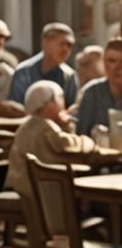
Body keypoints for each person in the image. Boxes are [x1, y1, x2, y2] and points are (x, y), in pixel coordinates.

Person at [7, 81, 97, 227]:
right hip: (41, 192)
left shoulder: (27, 125)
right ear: (49, 104)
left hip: (25, 187)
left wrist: (65, 126)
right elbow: (69, 145)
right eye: (60, 98)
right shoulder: (46, 126)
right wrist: (88, 141)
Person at [8, 23, 78, 108]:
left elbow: (72, 107)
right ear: (46, 42)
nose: (66, 49)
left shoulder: (69, 75)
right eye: (62, 44)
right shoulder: (24, 72)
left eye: (69, 45)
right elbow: (15, 107)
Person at [75, 38, 122, 137]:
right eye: (112, 61)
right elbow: (82, 135)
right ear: (104, 63)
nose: (119, 67)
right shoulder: (92, 92)